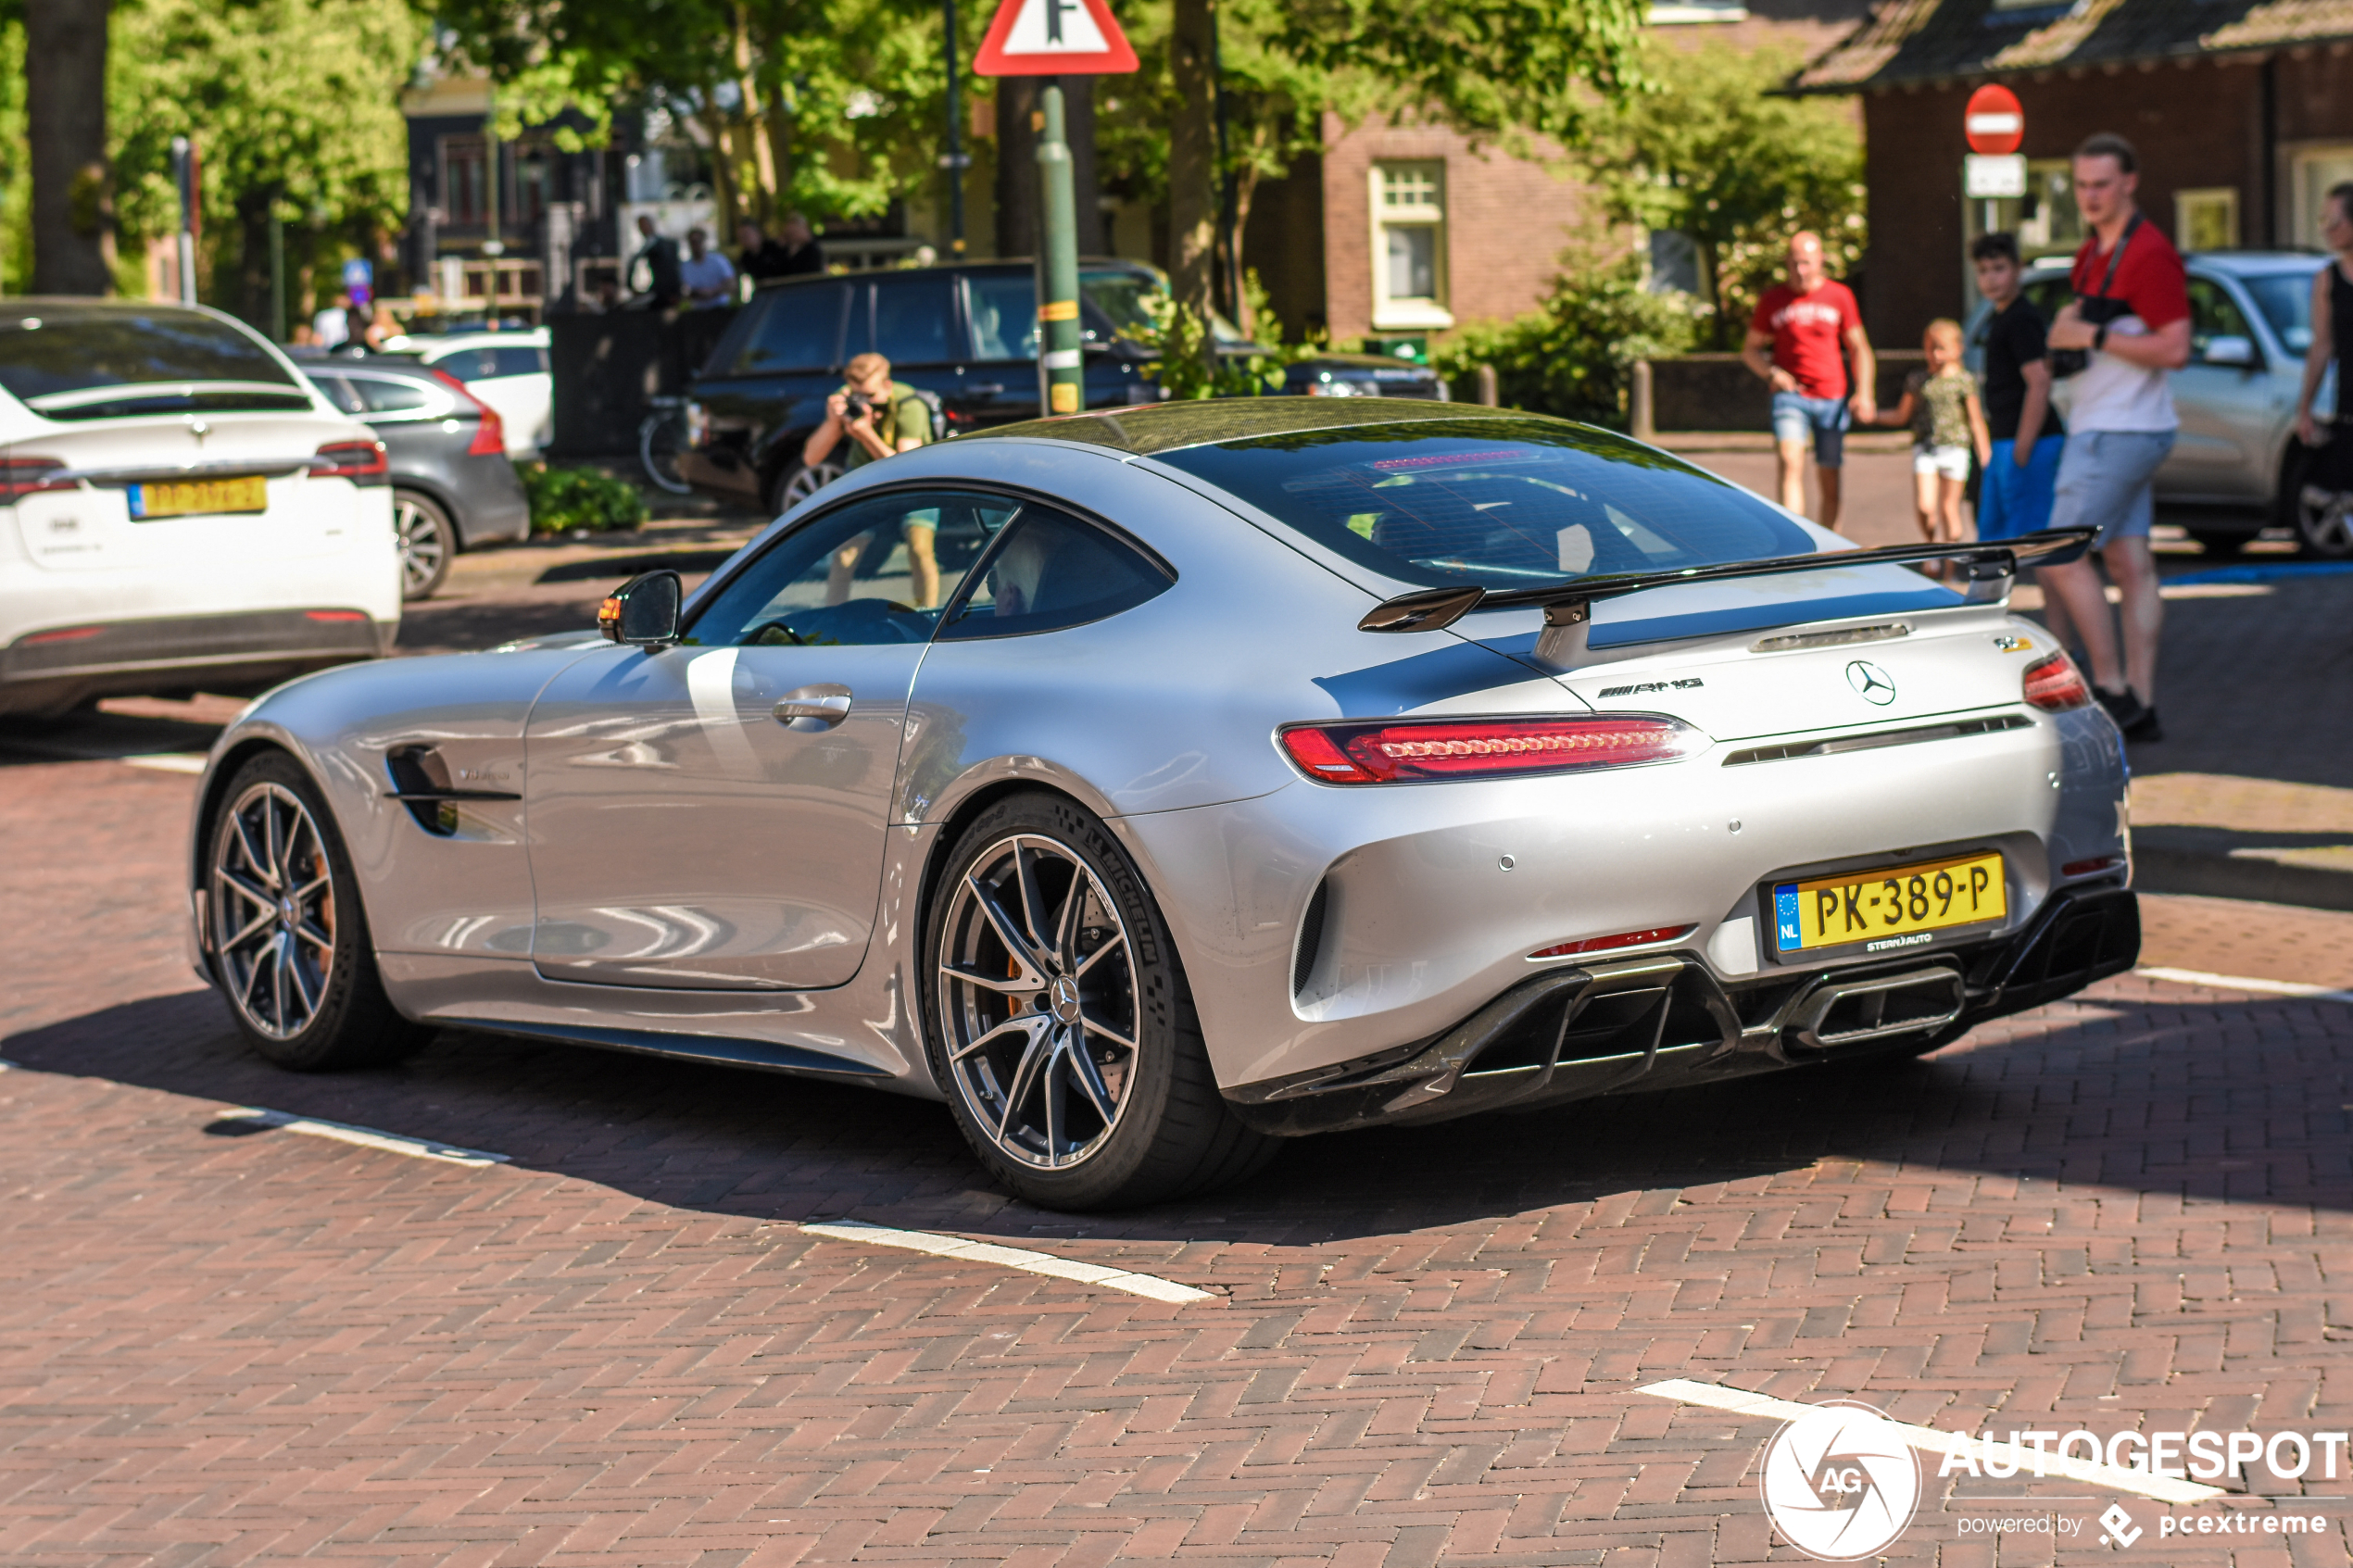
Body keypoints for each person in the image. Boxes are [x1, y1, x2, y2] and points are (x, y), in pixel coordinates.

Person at [2039, 132, 2190, 742]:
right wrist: (2070, 332)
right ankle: (2144, 706)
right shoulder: (2092, 253)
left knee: (2057, 552)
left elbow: (2174, 347)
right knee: (2130, 563)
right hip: (2110, 425)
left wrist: (2092, 338)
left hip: (2117, 433)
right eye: (2081, 185)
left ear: (2130, 182)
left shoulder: (2148, 254)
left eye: (2102, 184)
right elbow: (2080, 326)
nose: (2091, 196)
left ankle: (2113, 691)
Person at [1742, 232, 1877, 531]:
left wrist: (1865, 392)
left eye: (1806, 263)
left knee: (1829, 475)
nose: (1800, 271)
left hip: (1831, 396)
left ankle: (1829, 547)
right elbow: (1750, 350)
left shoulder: (1839, 295)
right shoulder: (1773, 299)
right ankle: (1798, 544)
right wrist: (1771, 372)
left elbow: (1859, 347)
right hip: (1791, 396)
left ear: (1820, 261)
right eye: (1793, 264)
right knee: (1790, 461)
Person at [804, 353, 939, 606]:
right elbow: (812, 458)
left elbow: (906, 470)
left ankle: (928, 613)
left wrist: (866, 434)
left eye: (872, 398)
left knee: (919, 549)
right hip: (867, 479)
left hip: (916, 484)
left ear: (887, 385)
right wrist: (834, 422)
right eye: (859, 397)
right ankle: (832, 620)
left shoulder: (909, 405)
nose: (865, 406)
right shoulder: (847, 400)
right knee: (845, 555)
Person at [1969, 232, 2065, 542]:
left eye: (1999, 268)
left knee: (2029, 542)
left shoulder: (2021, 318)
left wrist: (2023, 448)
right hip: (2003, 441)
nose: (1991, 279)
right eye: (1984, 271)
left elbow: (2039, 381)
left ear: (2018, 268)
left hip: (2029, 444)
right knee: (1993, 541)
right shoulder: (2001, 316)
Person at [1872, 319, 1988, 560]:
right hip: (1925, 448)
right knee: (1926, 507)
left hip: (1956, 449)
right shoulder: (1918, 380)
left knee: (1949, 509)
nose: (1935, 354)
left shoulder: (1964, 381)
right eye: (1930, 348)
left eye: (1941, 348)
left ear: (1957, 349)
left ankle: (1948, 565)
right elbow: (1901, 414)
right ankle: (1932, 546)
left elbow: (1976, 420)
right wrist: (1873, 416)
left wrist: (1985, 455)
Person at [2293, 181, 2353, 523]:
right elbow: (2322, 345)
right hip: (2348, 406)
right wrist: (2305, 408)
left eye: (2335, 222)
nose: (2327, 231)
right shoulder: (2327, 279)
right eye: (2323, 222)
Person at [629, 214, 682, 308]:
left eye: (645, 225)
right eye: (641, 226)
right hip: (660, 290)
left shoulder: (660, 243)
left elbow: (633, 261)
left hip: (666, 292)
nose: (643, 229)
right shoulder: (652, 244)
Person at [678, 227, 736, 308]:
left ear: (704, 241)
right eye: (693, 242)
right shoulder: (685, 267)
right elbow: (684, 289)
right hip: (697, 309)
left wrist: (713, 292)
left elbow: (732, 284)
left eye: (698, 241)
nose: (696, 245)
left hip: (720, 307)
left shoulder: (718, 260)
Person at [773, 212, 825, 278]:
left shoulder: (813, 250)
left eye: (795, 232)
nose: (793, 237)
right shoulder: (783, 250)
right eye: (790, 234)